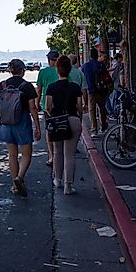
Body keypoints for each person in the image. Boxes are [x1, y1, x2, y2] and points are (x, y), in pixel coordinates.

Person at [0, 59, 41, 197]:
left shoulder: (3, 85)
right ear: (22, 70)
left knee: (12, 155)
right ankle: (19, 178)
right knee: (26, 154)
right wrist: (37, 126)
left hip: (6, 123)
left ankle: (14, 186)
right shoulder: (27, 86)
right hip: (22, 122)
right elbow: (32, 107)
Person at [46, 55, 83, 195]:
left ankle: (57, 179)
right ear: (69, 70)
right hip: (72, 118)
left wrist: (51, 116)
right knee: (70, 154)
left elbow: (48, 107)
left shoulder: (51, 87)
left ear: (57, 70)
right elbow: (80, 107)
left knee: (57, 152)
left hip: (57, 120)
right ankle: (68, 185)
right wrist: (78, 117)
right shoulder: (75, 87)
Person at [36, 50, 60, 166]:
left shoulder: (43, 72)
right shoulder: (62, 71)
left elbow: (39, 90)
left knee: (49, 131)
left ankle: (52, 156)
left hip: (47, 106)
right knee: (62, 129)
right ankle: (60, 154)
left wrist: (37, 104)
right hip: (62, 105)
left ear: (49, 60)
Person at [82, 49, 109, 135]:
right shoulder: (100, 65)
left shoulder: (85, 66)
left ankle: (94, 129)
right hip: (100, 90)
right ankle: (103, 125)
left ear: (89, 56)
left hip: (90, 90)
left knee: (92, 110)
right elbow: (106, 76)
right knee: (102, 108)